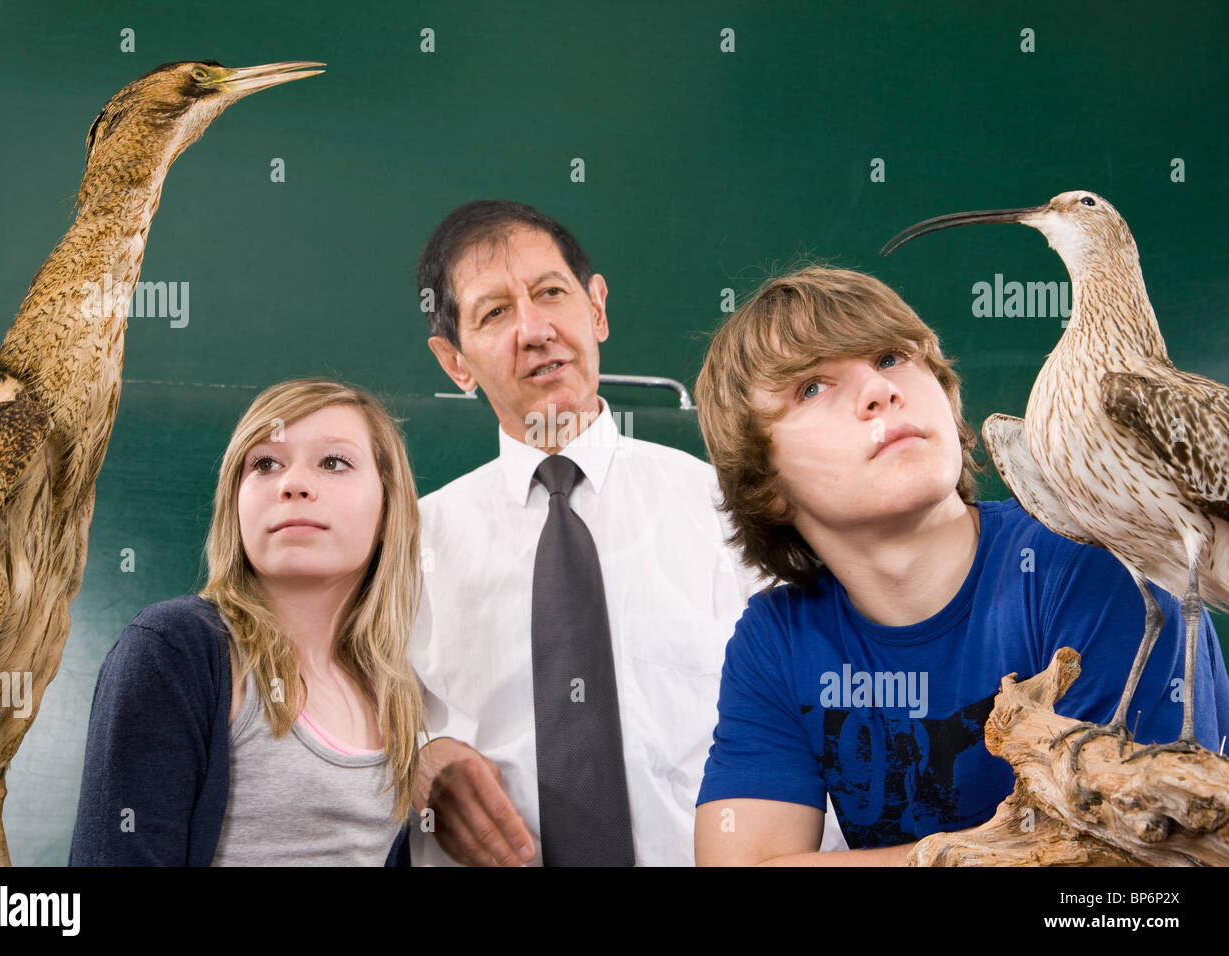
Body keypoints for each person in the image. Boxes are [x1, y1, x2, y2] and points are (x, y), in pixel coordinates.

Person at [692, 266, 1229, 864]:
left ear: (946, 396)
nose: (878, 390)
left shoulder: (1093, 562)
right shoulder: (776, 639)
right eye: (812, 388)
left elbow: (1140, 866)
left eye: (892, 357)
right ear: (765, 482)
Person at [410, 200, 846, 866]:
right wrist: (414, 764)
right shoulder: (406, 548)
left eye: (551, 293)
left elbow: (832, 725)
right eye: (494, 313)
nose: (534, 330)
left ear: (597, 310)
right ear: (455, 363)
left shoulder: (735, 511)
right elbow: (336, 730)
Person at [69, 378, 424, 865]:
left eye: (334, 462)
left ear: (387, 507)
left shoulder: (394, 690)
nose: (292, 483)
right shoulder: (174, 649)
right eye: (265, 464)